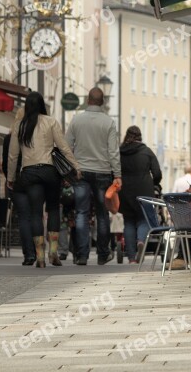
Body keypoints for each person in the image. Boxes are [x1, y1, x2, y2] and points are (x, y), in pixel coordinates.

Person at [7, 92, 81, 268]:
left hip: (29, 173)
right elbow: (63, 147)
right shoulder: (51, 122)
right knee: (54, 209)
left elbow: (12, 155)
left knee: (35, 213)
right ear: (42, 105)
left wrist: (11, 177)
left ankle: (39, 257)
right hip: (49, 172)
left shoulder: (20, 125)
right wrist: (76, 166)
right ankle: (53, 252)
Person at [66, 87, 122, 265]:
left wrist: (72, 168)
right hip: (103, 172)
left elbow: (67, 146)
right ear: (103, 101)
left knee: (81, 212)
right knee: (102, 213)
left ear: (88, 100)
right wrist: (117, 174)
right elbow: (113, 151)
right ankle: (103, 254)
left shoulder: (76, 120)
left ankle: (82, 255)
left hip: (80, 172)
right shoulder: (108, 122)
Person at [118, 125, 162, 263]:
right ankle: (141, 241)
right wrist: (154, 182)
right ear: (140, 136)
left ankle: (131, 258)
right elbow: (157, 173)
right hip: (145, 189)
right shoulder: (147, 151)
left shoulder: (119, 152)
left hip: (125, 190)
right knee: (143, 219)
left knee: (129, 222)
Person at [1, 110, 36, 265]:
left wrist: (10, 179)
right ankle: (38, 251)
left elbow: (5, 161)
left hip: (17, 181)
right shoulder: (35, 137)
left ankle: (29, 254)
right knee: (35, 215)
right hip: (35, 179)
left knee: (23, 216)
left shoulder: (9, 138)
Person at [169, 165, 191, 270]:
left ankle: (182, 257)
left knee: (183, 230)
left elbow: (172, 196)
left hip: (180, 213)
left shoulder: (178, 181)